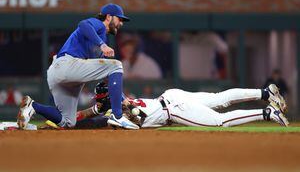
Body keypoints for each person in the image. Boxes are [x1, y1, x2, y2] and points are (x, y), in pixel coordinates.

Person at [17, 3, 139, 130]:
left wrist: (125, 101)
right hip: (67, 64)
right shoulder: (99, 25)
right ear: (108, 17)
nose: (121, 23)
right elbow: (83, 24)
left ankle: (33, 106)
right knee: (116, 65)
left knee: (68, 122)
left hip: (59, 73)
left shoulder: (100, 39)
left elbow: (109, 79)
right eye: (119, 19)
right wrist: (102, 45)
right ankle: (118, 117)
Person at [72, 83, 289, 129]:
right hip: (172, 95)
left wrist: (73, 126)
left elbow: (99, 119)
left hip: (174, 109)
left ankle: (268, 113)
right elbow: (93, 112)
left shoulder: (119, 111)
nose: (98, 101)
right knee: (219, 98)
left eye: (100, 98)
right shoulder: (118, 102)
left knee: (219, 121)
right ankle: (264, 93)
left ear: (107, 98)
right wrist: (69, 122)